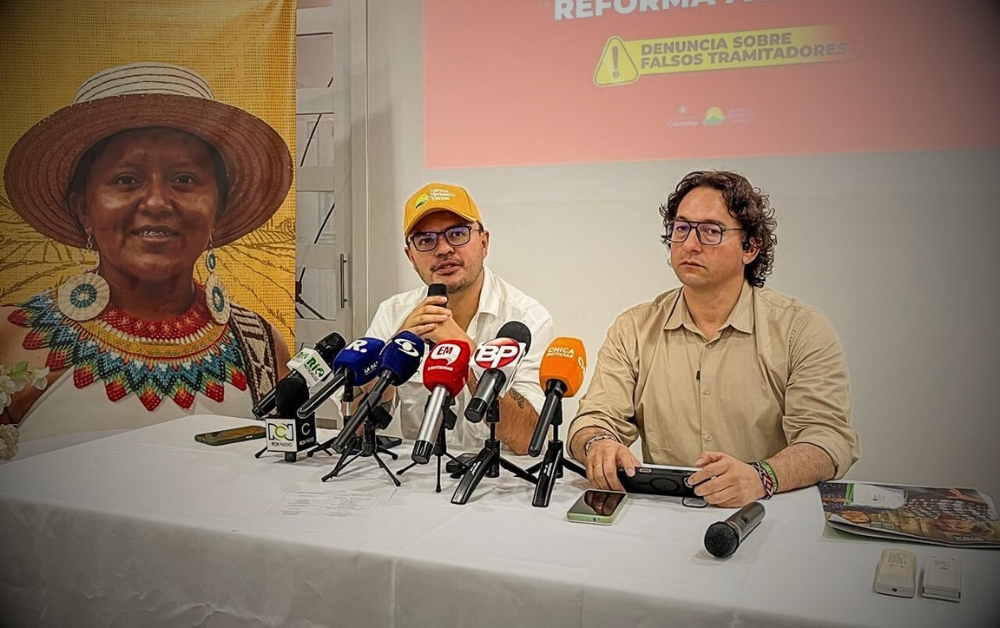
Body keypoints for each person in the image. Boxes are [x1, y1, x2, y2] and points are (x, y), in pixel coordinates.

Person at [0, 63, 293, 442]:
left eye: (184, 179)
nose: (156, 202)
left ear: (217, 210)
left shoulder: (261, 347)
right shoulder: (11, 338)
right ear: (84, 209)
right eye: (126, 179)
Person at [567, 170, 860, 507]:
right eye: (681, 228)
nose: (690, 244)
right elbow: (593, 419)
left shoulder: (801, 329)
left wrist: (761, 476)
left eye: (711, 231)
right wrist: (598, 444)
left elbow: (827, 438)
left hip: (766, 512)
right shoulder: (633, 328)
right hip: (663, 514)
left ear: (750, 247)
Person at [361, 182, 555, 453]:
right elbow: (357, 431)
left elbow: (529, 439)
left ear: (484, 243)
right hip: (419, 472)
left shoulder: (529, 319)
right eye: (426, 240)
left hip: (501, 473)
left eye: (457, 234)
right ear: (410, 256)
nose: (443, 249)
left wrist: (471, 355)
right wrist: (392, 356)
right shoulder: (393, 313)